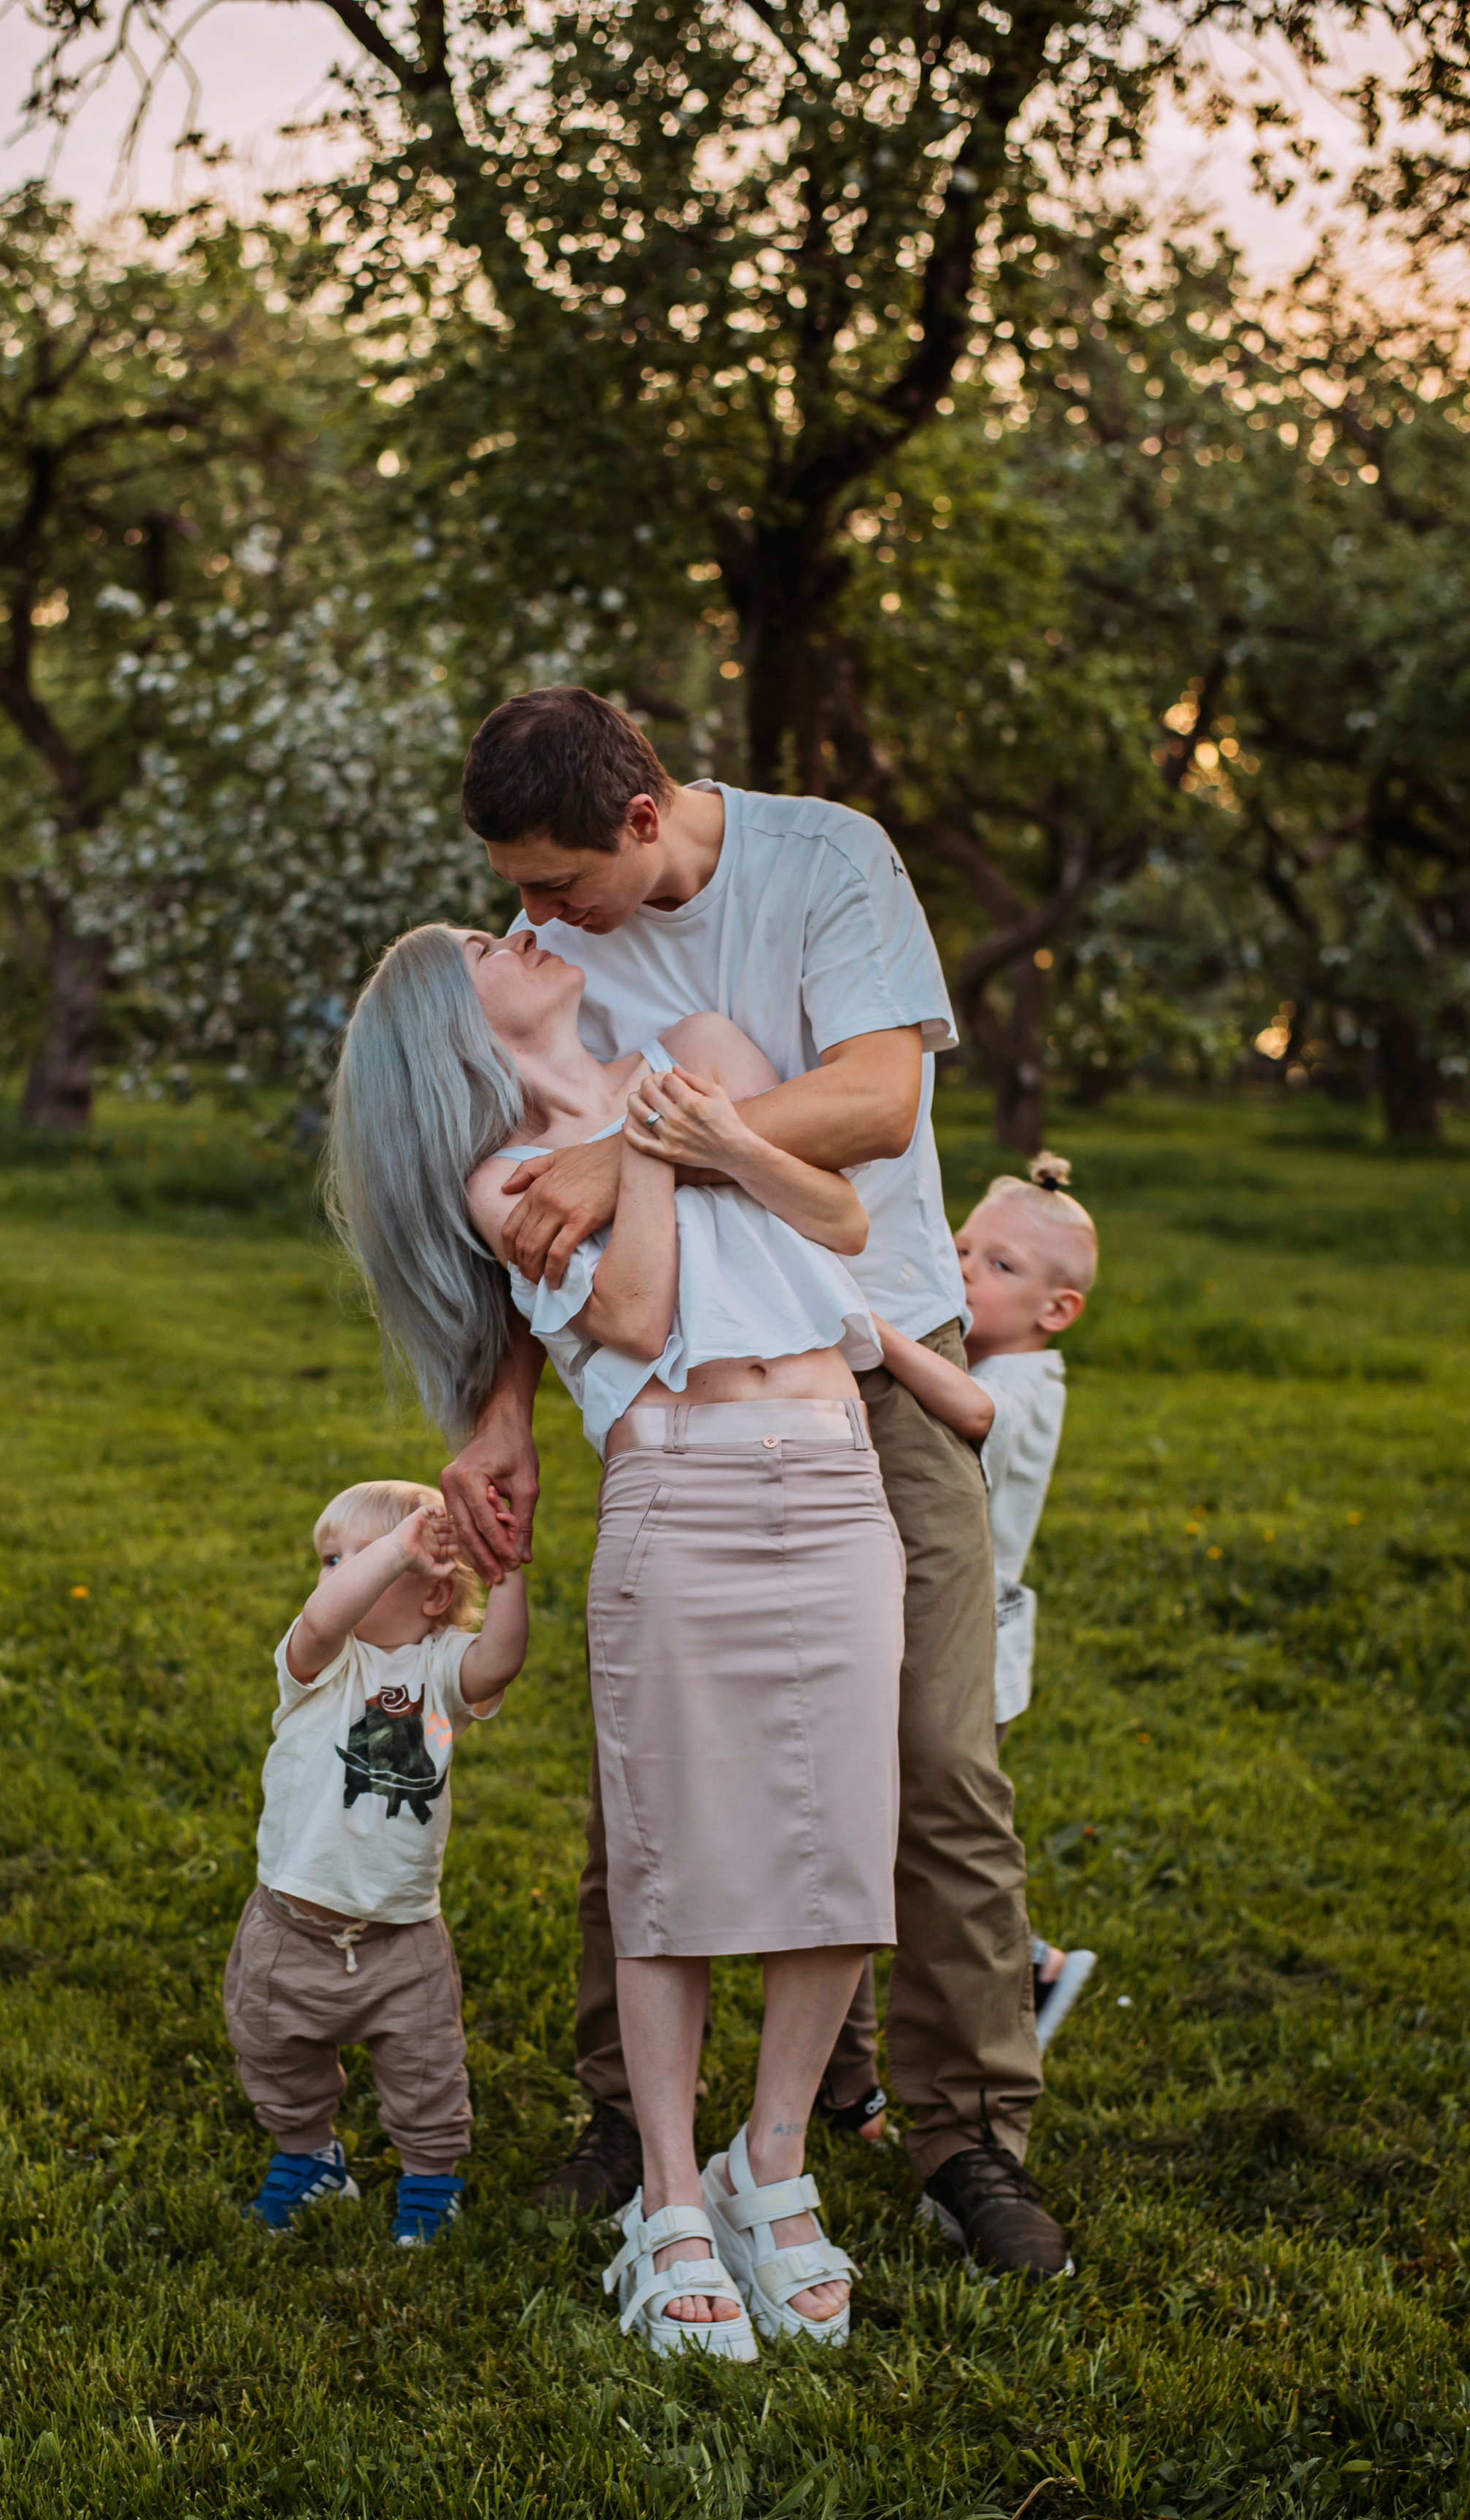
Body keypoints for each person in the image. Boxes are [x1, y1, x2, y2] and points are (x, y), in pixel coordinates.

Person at [439, 685, 1071, 2279]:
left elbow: (875, 1102)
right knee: (650, 1771)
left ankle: (961, 2137)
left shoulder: (822, 862)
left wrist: (633, 1149)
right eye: (514, 887)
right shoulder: (542, 951)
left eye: (556, 882)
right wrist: (503, 1408)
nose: (536, 917)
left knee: (929, 1756)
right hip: (672, 1388)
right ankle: (624, 2126)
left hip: (878, 1343)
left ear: (643, 819)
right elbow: (520, 1175)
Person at [327, 921, 905, 2360]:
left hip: (834, 1475)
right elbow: (639, 1311)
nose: (515, 928)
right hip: (680, 1486)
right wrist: (649, 1145)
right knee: (672, 1857)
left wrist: (690, 1122)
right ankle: (664, 2196)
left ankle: (768, 2164)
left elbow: (840, 1223)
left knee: (839, 1836)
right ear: (447, 1034)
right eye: (479, 941)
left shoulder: (703, 1056)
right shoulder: (504, 1178)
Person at [826, 1156, 1100, 2140]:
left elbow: (972, 1416)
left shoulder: (1027, 1379)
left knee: (934, 1813)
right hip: (936, 1619)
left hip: (977, 1640)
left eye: (999, 1263)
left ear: (1056, 1309)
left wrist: (879, 1331)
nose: (965, 1266)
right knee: (898, 1823)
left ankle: (1028, 1964)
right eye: (962, 1245)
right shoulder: (994, 1353)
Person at [225, 1478, 528, 2247]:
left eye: (358, 1560)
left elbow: (498, 1662)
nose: (334, 1577)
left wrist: (509, 1569)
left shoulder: (438, 1668)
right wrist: (395, 1551)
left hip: (401, 1932)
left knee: (427, 2069)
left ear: (431, 1598)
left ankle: (430, 2179)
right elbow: (328, 1613)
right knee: (271, 2048)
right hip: (289, 1922)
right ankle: (308, 2156)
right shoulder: (321, 1662)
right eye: (330, 1559)